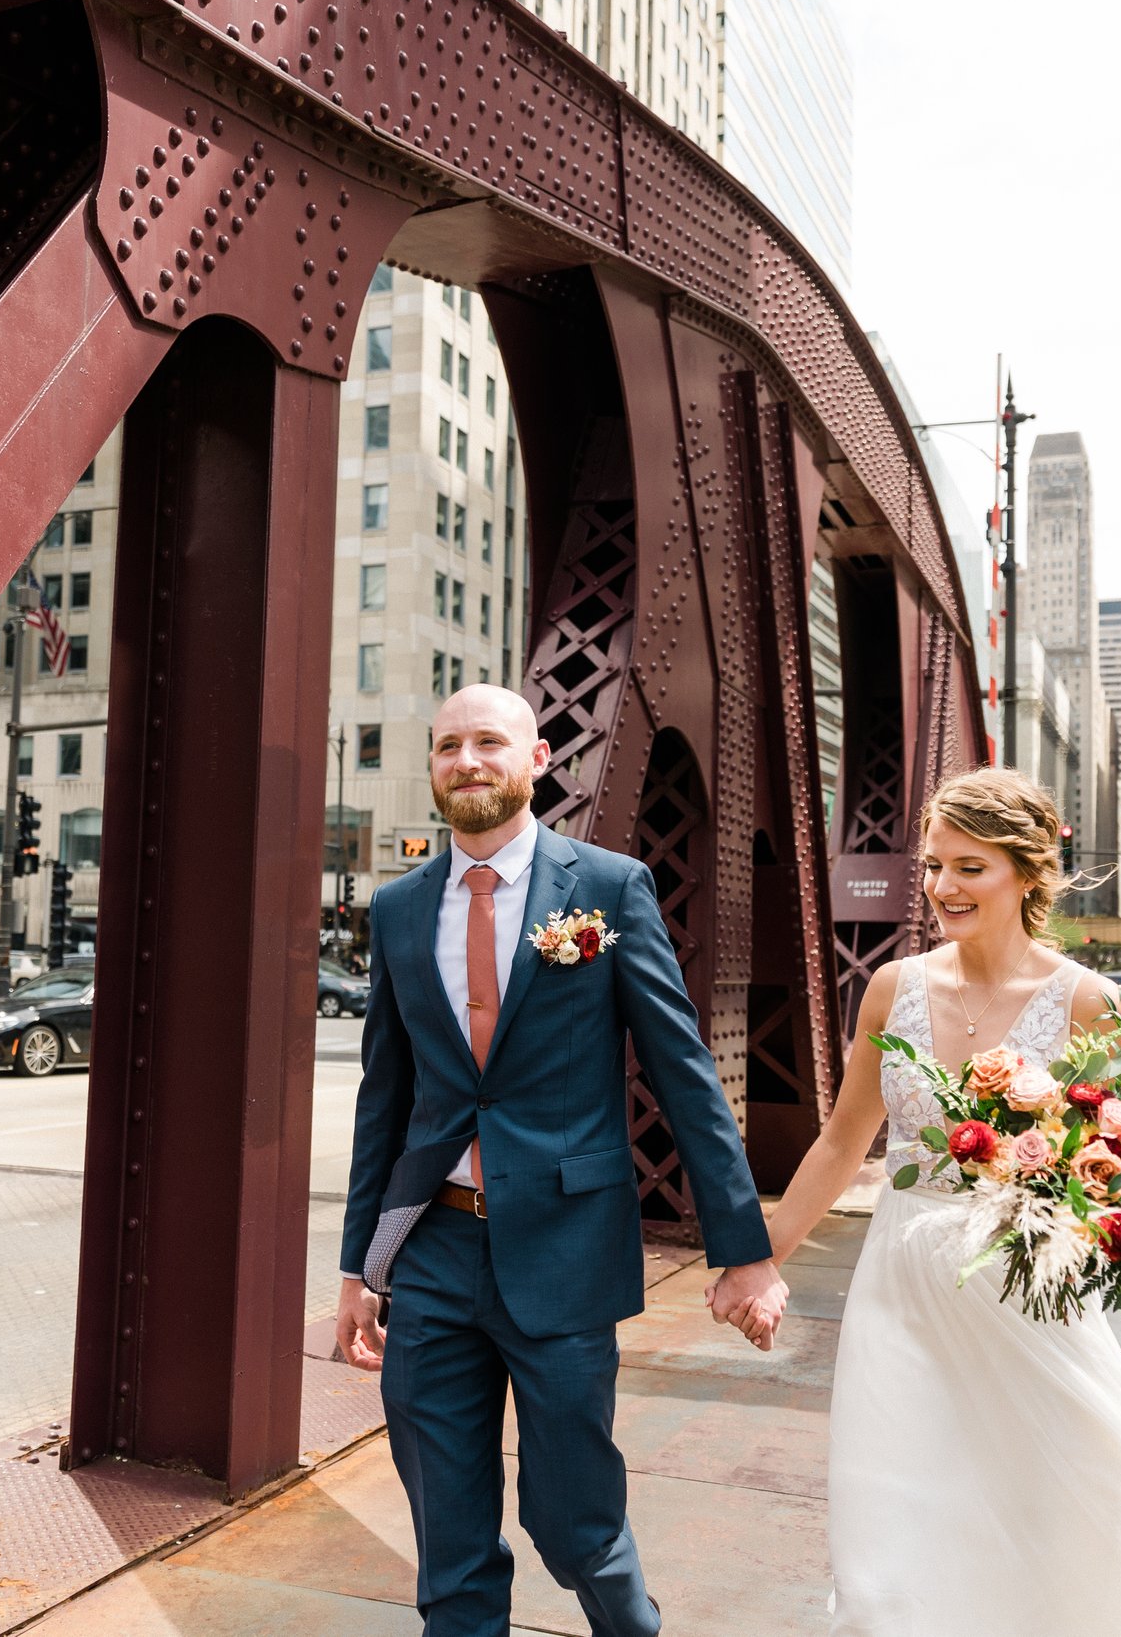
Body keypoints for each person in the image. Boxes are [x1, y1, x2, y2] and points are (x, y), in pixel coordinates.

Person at [726, 766, 1121, 1636]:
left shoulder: (1091, 1003)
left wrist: (1088, 1208)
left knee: (1073, 1509)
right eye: (935, 866)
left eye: (969, 866)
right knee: (892, 1524)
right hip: (899, 1292)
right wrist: (760, 1261)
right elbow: (841, 1142)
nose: (943, 887)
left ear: (1025, 872)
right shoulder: (892, 988)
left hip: (1026, 1294)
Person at [335, 684, 789, 1637]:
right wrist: (357, 1268)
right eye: (448, 744)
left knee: (573, 1522)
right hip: (433, 1255)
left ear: (537, 759)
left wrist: (742, 1249)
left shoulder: (608, 887)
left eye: (489, 742)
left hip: (566, 1255)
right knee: (450, 1545)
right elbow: (386, 1101)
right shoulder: (398, 910)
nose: (467, 760)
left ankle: (633, 1627)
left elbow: (684, 1072)